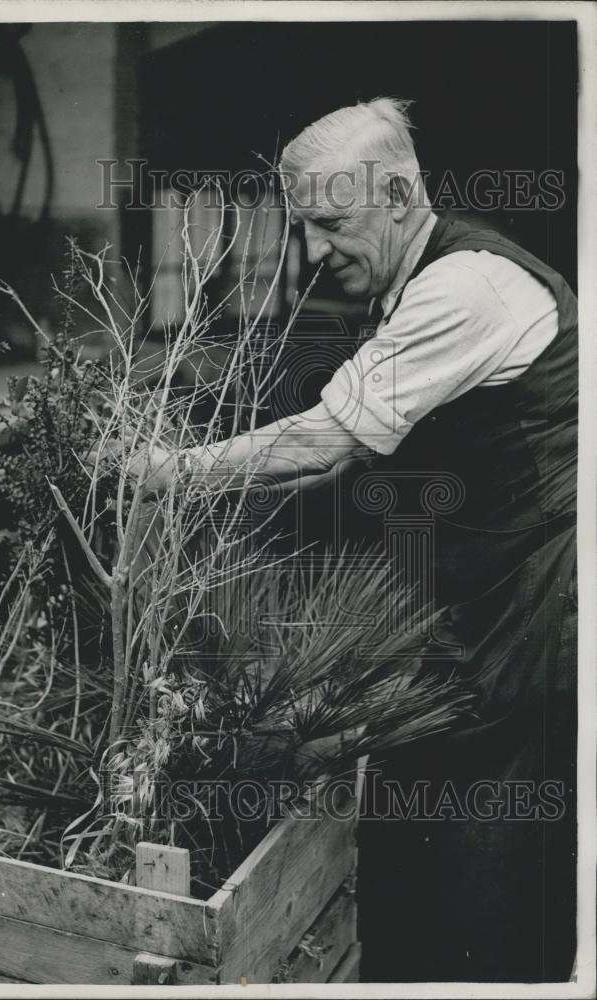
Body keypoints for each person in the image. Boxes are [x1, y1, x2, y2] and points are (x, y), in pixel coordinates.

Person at [123, 97, 578, 982]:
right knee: (420, 848)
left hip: (520, 610)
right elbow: (336, 452)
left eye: (333, 222)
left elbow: (322, 441)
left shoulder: (464, 288)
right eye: (304, 226)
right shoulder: (410, 281)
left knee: (483, 864)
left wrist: (165, 469)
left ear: (401, 197)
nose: (317, 249)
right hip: (461, 607)